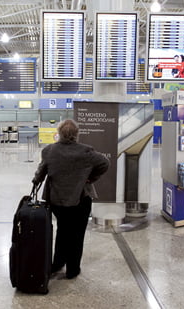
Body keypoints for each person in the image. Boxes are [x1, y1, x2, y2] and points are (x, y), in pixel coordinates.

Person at [32, 119, 109, 279]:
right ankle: (73, 269)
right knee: (77, 234)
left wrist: (36, 181)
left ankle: (58, 263)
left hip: (57, 200)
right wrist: (90, 178)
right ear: (76, 134)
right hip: (80, 200)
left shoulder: (49, 151)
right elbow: (105, 163)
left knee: (62, 229)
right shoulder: (86, 152)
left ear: (59, 133)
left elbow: (40, 173)